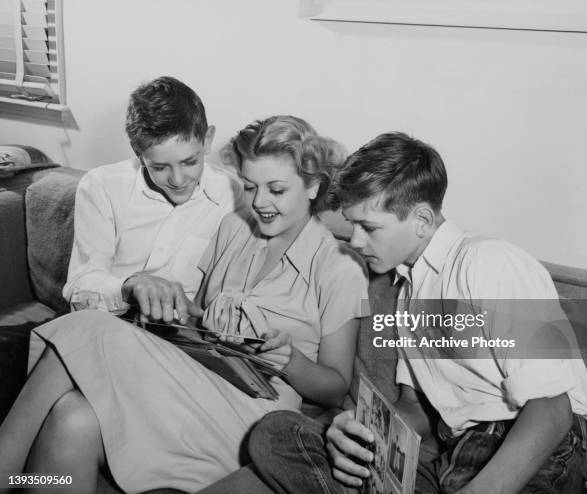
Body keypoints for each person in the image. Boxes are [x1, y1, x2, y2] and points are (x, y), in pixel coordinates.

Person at [0, 116, 369, 494]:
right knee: (72, 418)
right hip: (198, 381)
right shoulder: (234, 228)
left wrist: (290, 360)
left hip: (259, 415)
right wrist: (176, 309)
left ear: (313, 186)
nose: (259, 202)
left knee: (88, 327)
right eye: (250, 186)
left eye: (276, 189)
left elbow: (335, 389)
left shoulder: (340, 267)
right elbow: (199, 322)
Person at [218, 132, 587, 494]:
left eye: (369, 227)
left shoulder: (487, 262)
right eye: (353, 226)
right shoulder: (407, 292)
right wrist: (359, 432)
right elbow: (417, 410)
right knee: (276, 433)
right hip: (452, 460)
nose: (356, 241)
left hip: (532, 451)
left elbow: (553, 407)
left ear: (422, 220)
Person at [62, 75, 242, 323]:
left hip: (186, 338)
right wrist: (129, 287)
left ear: (207, 140)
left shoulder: (233, 194)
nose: (178, 180)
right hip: (108, 326)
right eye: (159, 167)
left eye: (190, 161)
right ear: (138, 152)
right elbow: (79, 293)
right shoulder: (100, 187)